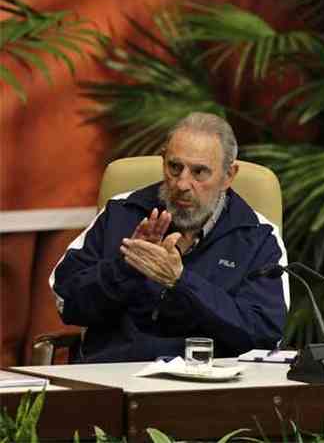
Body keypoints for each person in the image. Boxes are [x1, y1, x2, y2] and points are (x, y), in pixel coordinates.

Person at [50, 112, 288, 362]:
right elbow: (67, 300)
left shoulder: (258, 236)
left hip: (206, 385)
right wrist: (124, 268)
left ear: (228, 176)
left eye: (199, 172)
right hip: (112, 374)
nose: (182, 183)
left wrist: (182, 282)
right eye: (174, 167)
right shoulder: (122, 212)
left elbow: (264, 334)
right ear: (162, 161)